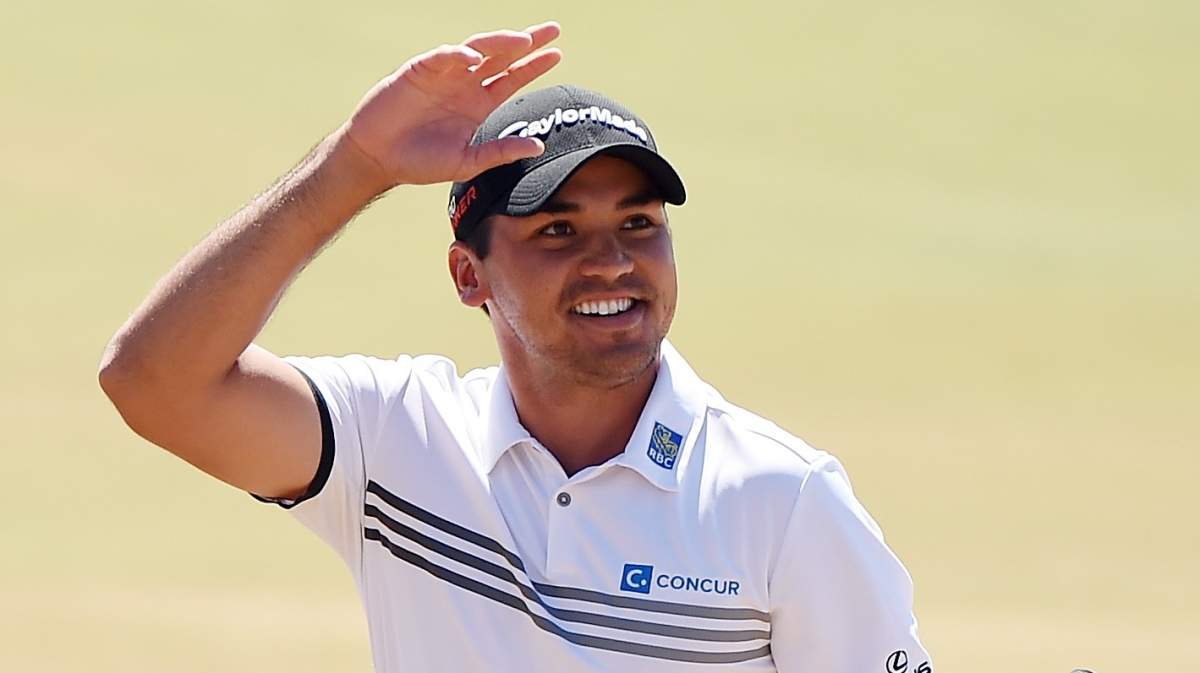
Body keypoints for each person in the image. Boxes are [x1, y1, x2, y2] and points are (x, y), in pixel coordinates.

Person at [99, 21, 932, 673]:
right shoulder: (397, 440)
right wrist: (352, 168)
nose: (613, 261)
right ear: (470, 275)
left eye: (638, 223)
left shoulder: (783, 500)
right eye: (558, 230)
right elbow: (153, 381)